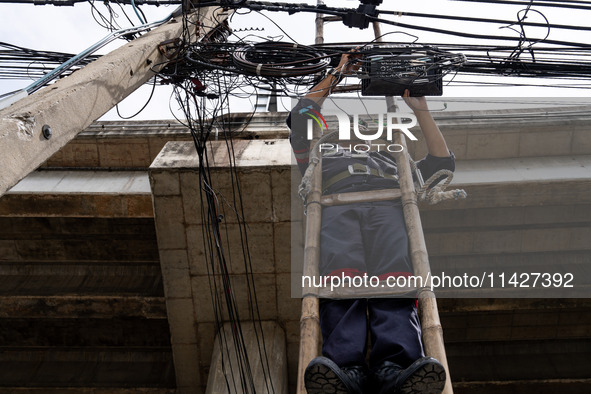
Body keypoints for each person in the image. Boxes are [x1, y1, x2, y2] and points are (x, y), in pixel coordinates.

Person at [287, 50, 455, 394]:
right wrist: (338, 73)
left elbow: (442, 164)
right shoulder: (322, 156)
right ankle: (346, 367)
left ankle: (395, 365)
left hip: (389, 204)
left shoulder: (393, 158)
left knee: (396, 278)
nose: (359, 136)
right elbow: (303, 114)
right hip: (335, 204)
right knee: (339, 277)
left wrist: (419, 110)